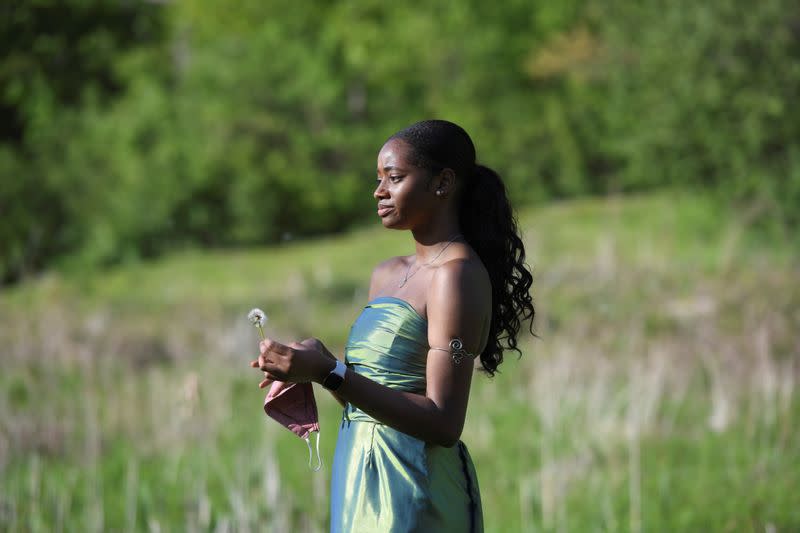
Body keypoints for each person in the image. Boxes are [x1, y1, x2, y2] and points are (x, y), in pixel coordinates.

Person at [250, 119, 535, 532]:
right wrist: (318, 364)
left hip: (416, 491)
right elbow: (370, 400)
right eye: (378, 179)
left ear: (443, 183)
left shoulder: (456, 276)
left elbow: (443, 423)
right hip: (358, 480)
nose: (378, 192)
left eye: (394, 178)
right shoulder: (386, 274)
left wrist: (330, 373)